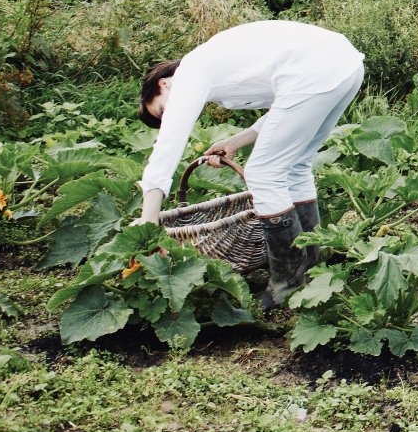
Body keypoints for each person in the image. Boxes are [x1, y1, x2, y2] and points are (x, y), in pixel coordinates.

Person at [136, 20, 366, 308]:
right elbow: (290, 103)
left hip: (319, 70)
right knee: (295, 166)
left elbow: (167, 149)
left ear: (163, 84)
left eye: (161, 109)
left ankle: (288, 283)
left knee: (262, 173)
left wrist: (148, 223)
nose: (168, 116)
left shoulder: (190, 74)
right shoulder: (213, 66)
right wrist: (237, 141)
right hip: (342, 65)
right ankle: (310, 266)